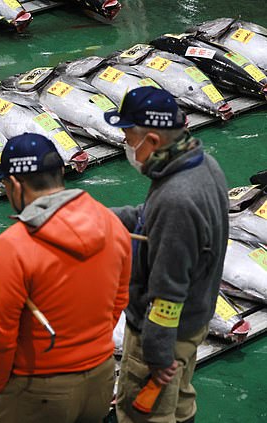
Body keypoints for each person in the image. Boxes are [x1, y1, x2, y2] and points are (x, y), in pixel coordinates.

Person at [0, 133, 132, 423]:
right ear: (60, 172)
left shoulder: (15, 243)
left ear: (14, 185)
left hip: (38, 389)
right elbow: (119, 299)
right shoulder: (110, 222)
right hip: (100, 379)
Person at [104, 87, 229, 423]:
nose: (126, 145)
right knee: (179, 398)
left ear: (153, 140)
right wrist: (96, 216)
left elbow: (167, 295)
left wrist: (157, 358)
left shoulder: (177, 199)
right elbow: (149, 217)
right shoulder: (200, 164)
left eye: (129, 136)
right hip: (193, 319)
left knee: (144, 413)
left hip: (164, 335)